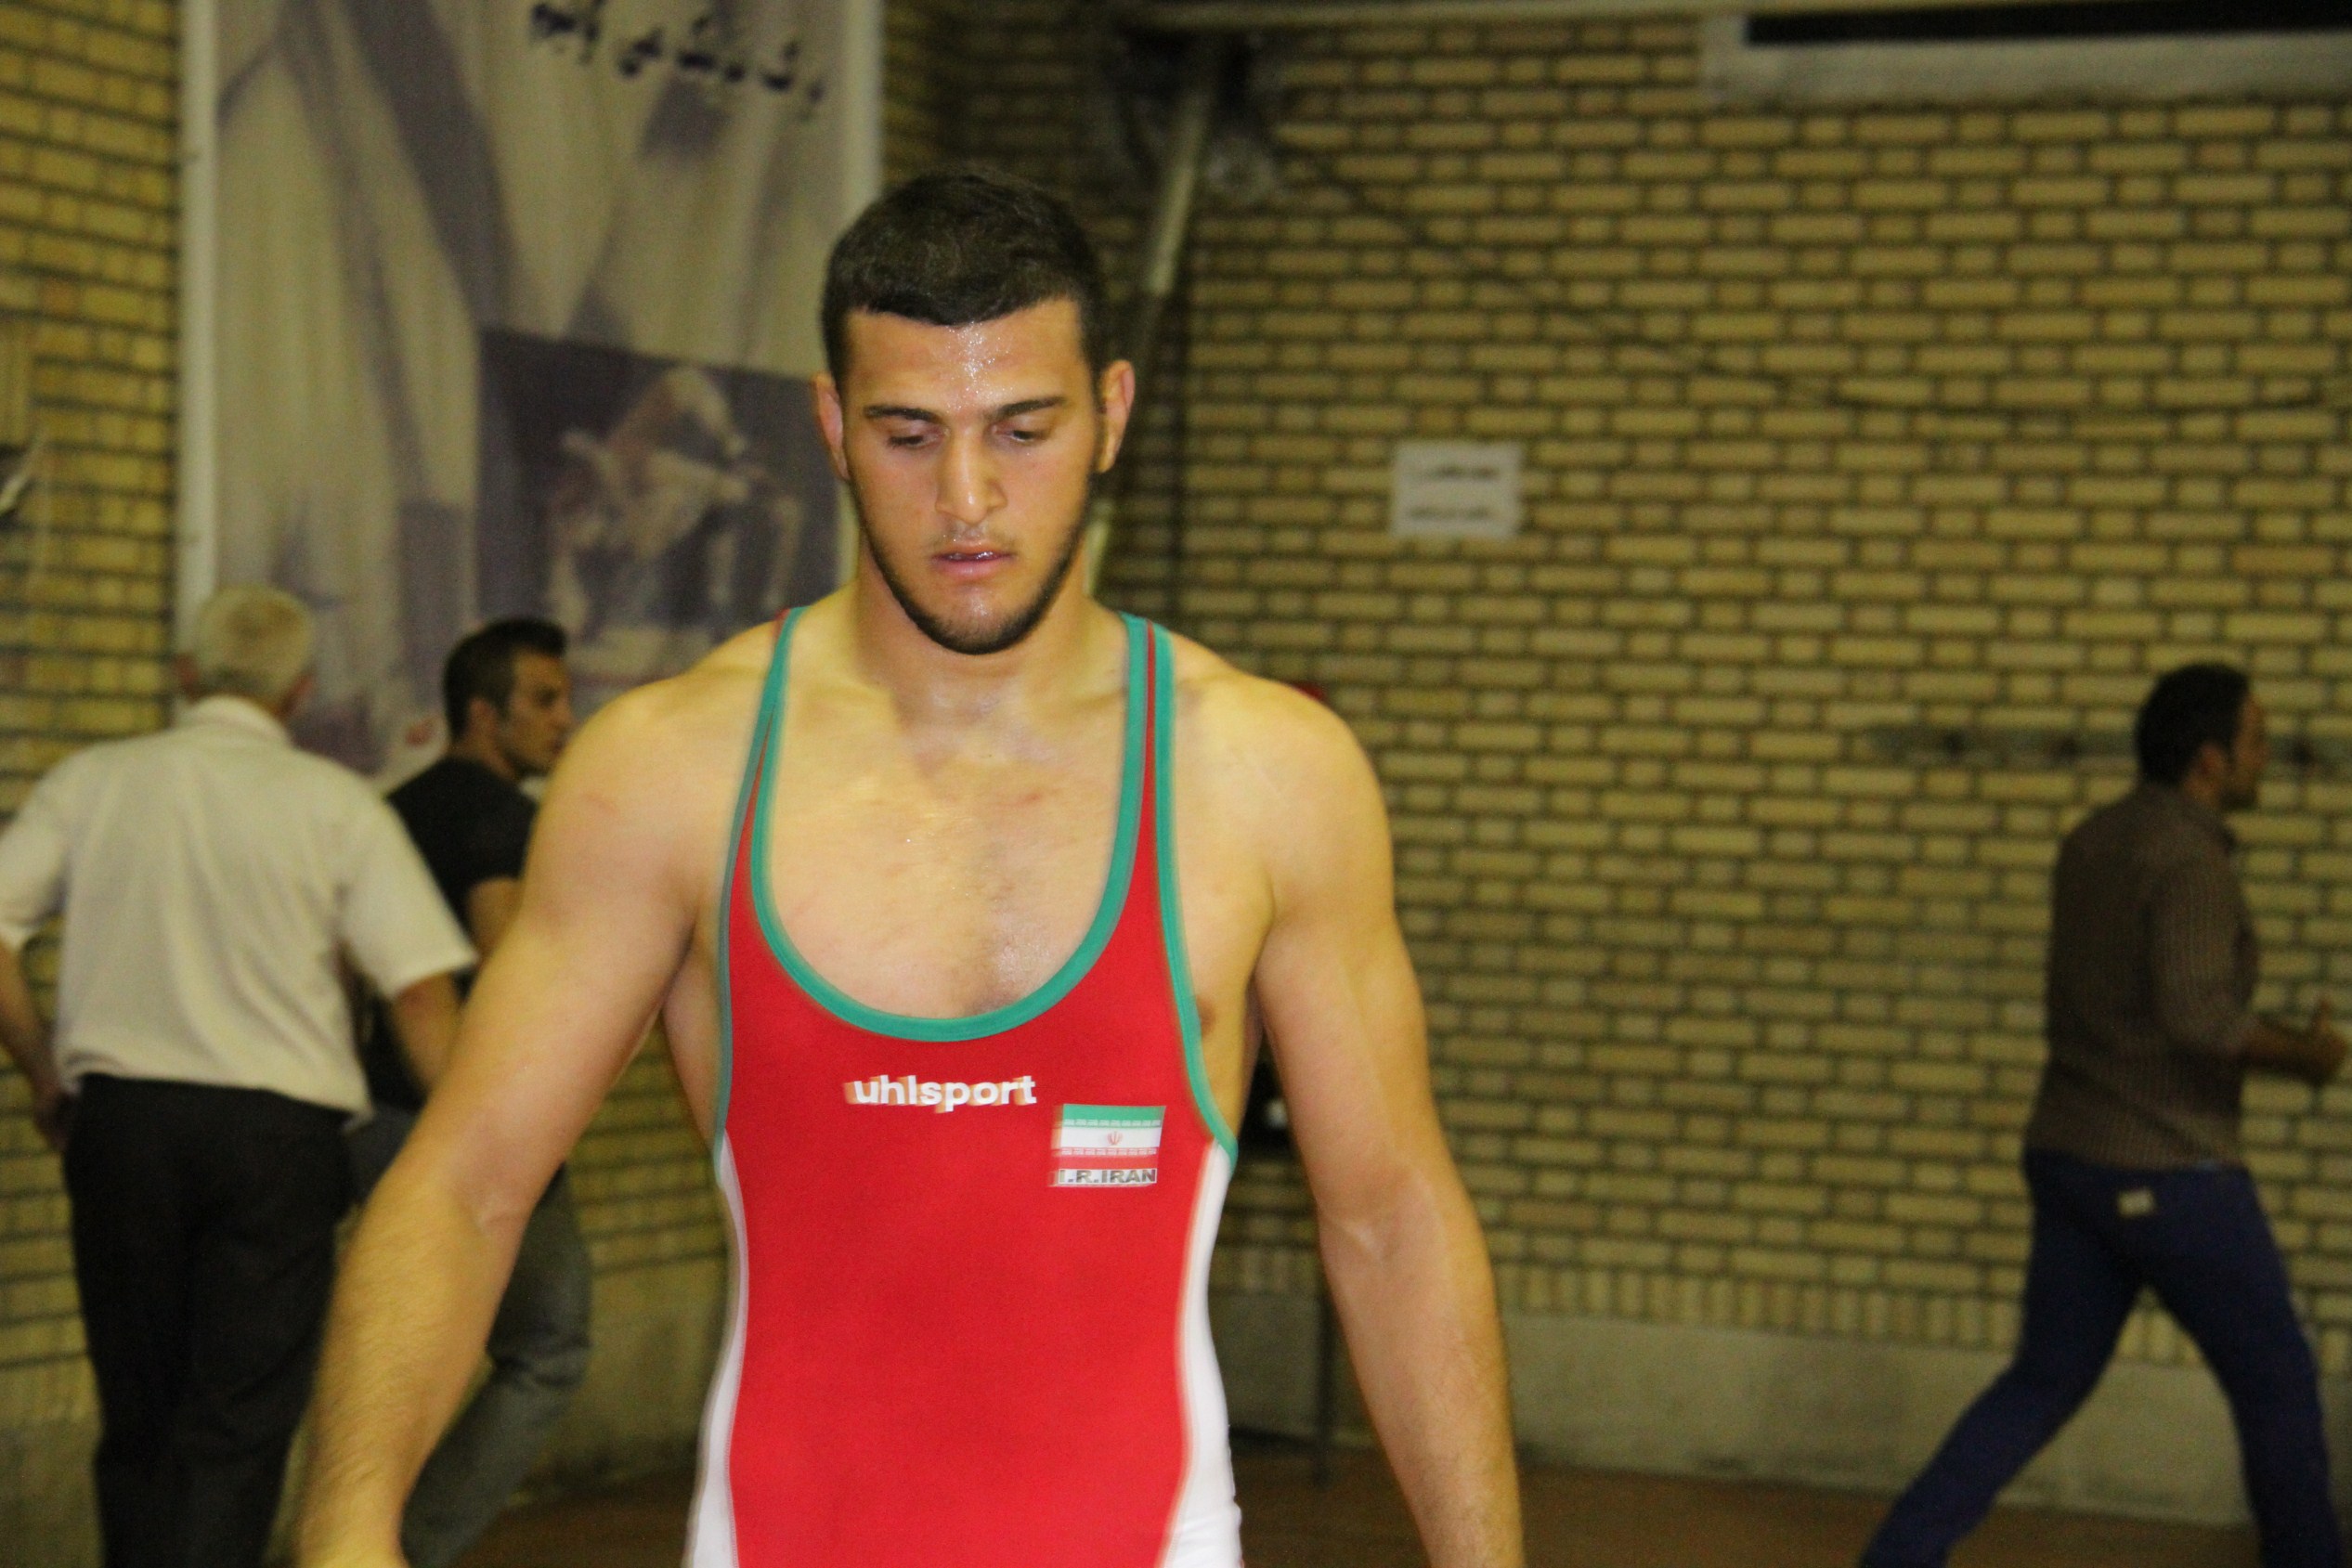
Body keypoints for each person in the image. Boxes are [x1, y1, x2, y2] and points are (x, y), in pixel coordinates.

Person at [297, 169, 1525, 1568]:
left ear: (1112, 413)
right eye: (908, 433)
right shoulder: (676, 769)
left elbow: (1390, 1218)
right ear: (832, 426)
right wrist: (345, 1529)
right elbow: (466, 1182)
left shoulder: (1262, 772)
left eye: (1022, 429)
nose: (967, 499)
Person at [0, 585, 474, 1568]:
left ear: (185, 674)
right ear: (299, 691)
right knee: (240, 1420)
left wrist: (44, 1071)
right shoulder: (335, 805)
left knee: (138, 1409)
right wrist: (467, 1146)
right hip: (277, 1147)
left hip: (123, 1129)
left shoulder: (93, 782)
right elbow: (420, 991)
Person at [1860, 663, 2346, 1568]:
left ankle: (1897, 1556)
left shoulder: (2093, 839)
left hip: (2069, 1155)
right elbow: (2197, 1018)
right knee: (2278, 1380)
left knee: (2042, 1380)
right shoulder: (2190, 862)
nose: (2265, 758)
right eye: (2253, 741)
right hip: (2169, 1168)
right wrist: (2306, 1055)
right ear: (2208, 759)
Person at [345, 617, 588, 1568]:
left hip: (374, 1118)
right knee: (549, 1343)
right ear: (484, 714)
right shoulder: (504, 822)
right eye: (544, 700)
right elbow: (509, 971)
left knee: (402, 1356)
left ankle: (362, 1535)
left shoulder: (390, 810)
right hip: (480, 1123)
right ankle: (409, 1545)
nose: (564, 720)